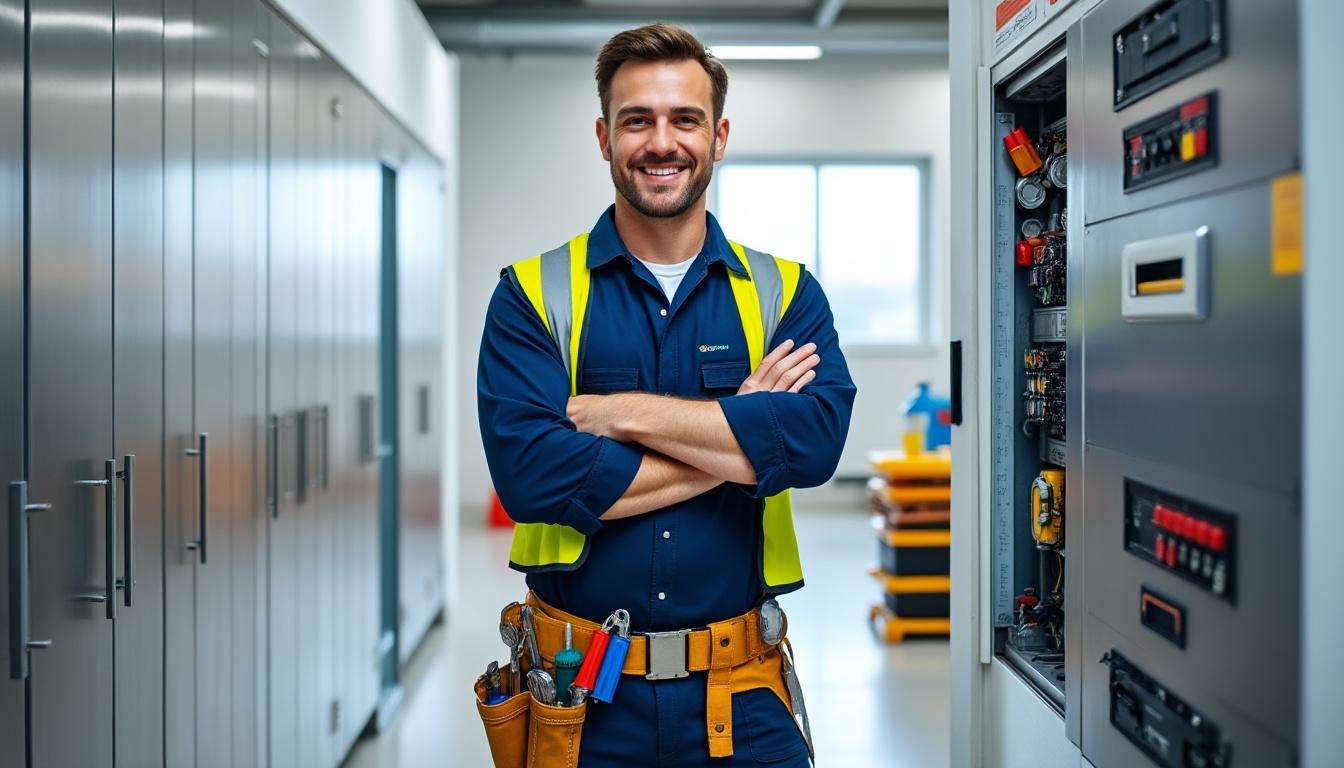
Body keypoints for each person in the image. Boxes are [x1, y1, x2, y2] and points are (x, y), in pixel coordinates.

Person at [477, 23, 856, 767]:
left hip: (741, 697)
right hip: (577, 701)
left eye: (684, 119)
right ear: (602, 135)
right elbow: (533, 477)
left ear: (717, 136)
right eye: (636, 120)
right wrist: (744, 433)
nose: (661, 142)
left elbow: (813, 446)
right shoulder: (532, 295)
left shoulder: (782, 293)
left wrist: (619, 412)